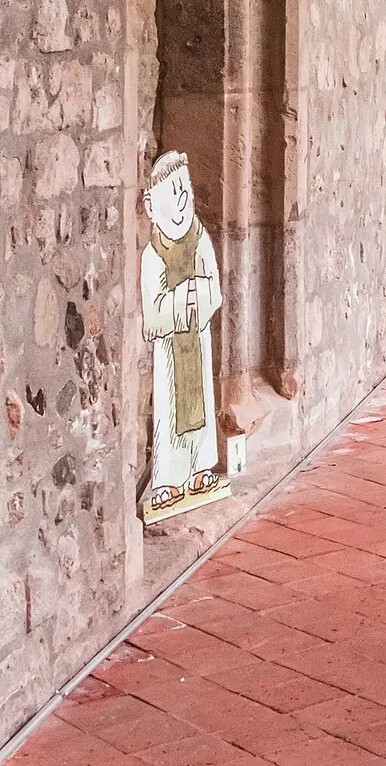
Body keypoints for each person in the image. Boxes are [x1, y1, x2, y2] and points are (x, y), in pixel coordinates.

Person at [141, 150, 224, 518]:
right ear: (151, 204)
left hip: (197, 341)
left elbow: (215, 291)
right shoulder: (152, 256)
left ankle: (199, 469)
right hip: (169, 350)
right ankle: (166, 480)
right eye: (172, 193)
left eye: (185, 190)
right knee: (169, 413)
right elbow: (153, 313)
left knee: (201, 405)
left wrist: (197, 294)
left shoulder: (200, 240)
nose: (181, 201)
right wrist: (185, 296)